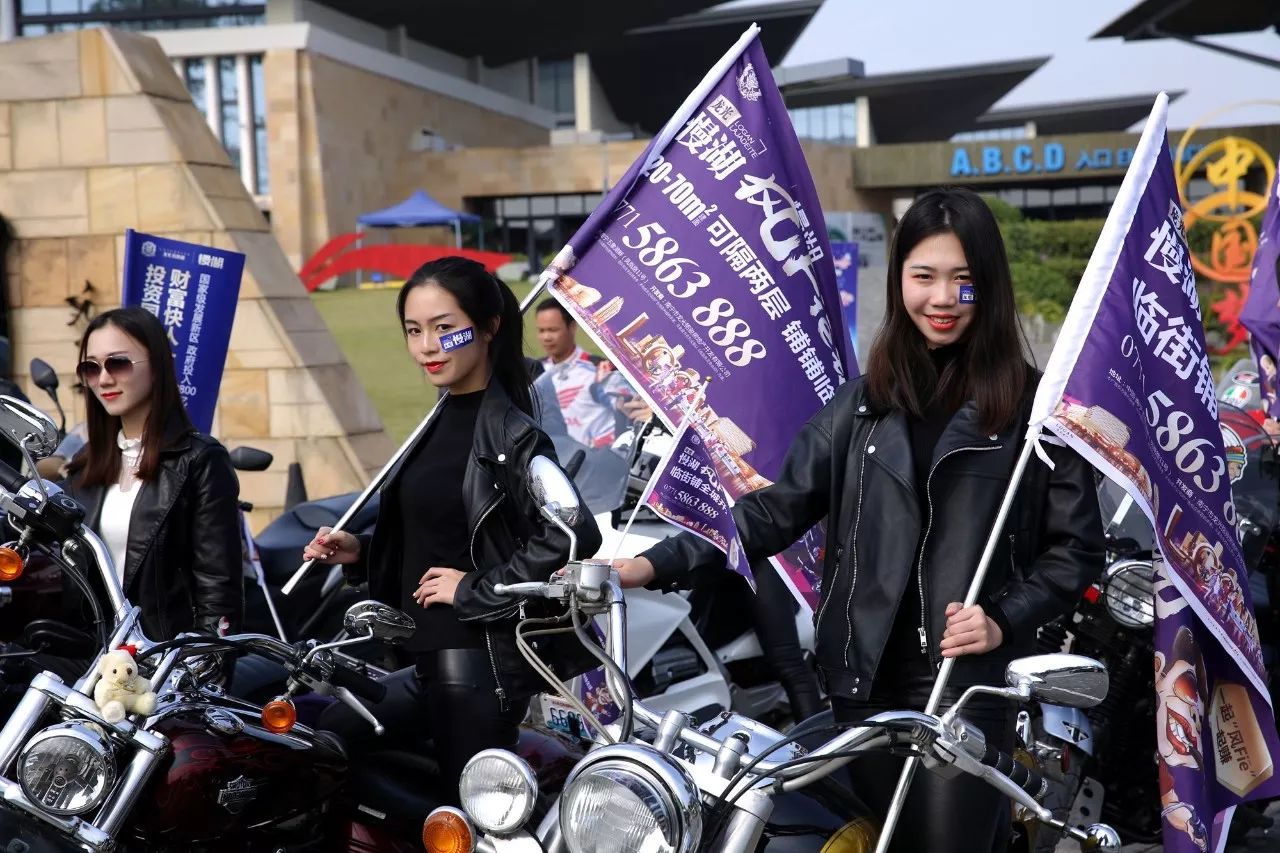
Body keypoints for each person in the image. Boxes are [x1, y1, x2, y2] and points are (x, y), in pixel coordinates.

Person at [614, 188, 1104, 852]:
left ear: (988, 286)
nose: (941, 297)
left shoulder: (1035, 412)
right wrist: (653, 561)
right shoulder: (861, 406)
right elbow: (775, 509)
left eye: (963, 280)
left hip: (964, 690)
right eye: (923, 275)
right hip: (857, 683)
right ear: (899, 278)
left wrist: (1002, 615)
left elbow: (1074, 553)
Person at [303, 258, 602, 794]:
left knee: (464, 824)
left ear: (488, 328)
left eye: (444, 328)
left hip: (478, 667)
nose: (427, 347)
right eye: (414, 331)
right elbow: (444, 541)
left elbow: (575, 534)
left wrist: (474, 589)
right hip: (421, 661)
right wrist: (362, 553)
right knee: (322, 741)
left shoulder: (513, 435)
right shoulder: (433, 421)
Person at [64, 307, 242, 642]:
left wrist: (204, 671)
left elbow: (218, 589)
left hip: (163, 663)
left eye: (118, 363)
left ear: (158, 366)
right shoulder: (85, 464)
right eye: (91, 368)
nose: (103, 379)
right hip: (90, 661)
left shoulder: (200, 460)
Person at [535, 298, 649, 446]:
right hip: (549, 459)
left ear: (572, 326)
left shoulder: (600, 370)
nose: (546, 337)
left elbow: (630, 411)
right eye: (541, 331)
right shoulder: (536, 371)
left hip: (592, 462)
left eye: (553, 330)